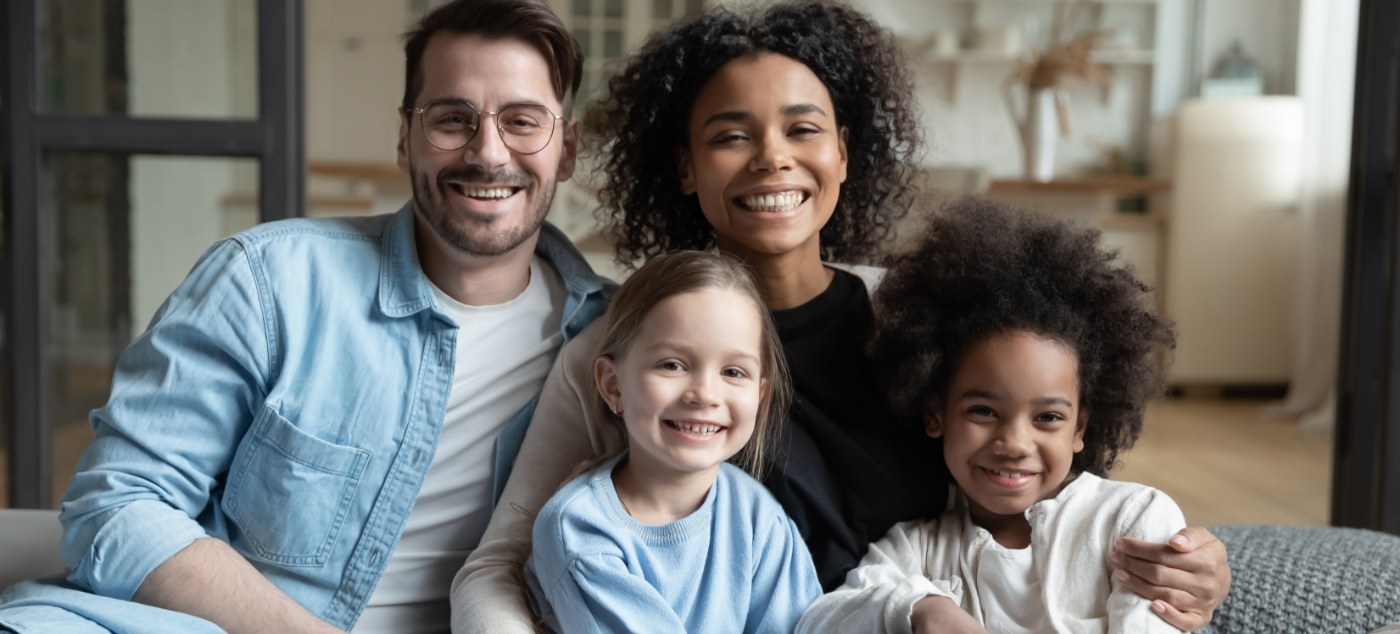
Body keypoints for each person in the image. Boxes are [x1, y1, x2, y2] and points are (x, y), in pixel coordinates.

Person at [451, 2, 1230, 633]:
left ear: (845, 152)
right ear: (684, 166)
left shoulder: (928, 318)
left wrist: (1191, 567)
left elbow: (1049, 481)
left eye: (803, 128)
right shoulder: (621, 350)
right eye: (729, 136)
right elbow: (500, 564)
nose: (771, 158)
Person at [0, 1, 611, 632]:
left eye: (522, 121)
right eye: (452, 119)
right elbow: (117, 504)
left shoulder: (620, 341)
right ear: (404, 137)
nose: (488, 152)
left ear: (566, 149)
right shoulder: (268, 281)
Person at [798, 198, 1186, 633]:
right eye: (984, 411)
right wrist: (919, 608)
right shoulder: (915, 548)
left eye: (1048, 418)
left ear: (1080, 427)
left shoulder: (1132, 519)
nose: (1014, 443)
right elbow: (820, 621)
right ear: (935, 415)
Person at [524, 250, 820, 633]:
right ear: (614, 385)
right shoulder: (579, 531)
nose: (705, 394)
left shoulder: (758, 517)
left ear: (759, 395)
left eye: (733, 371)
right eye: (672, 365)